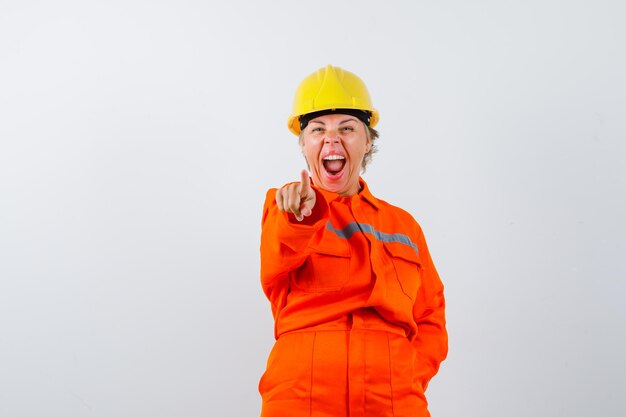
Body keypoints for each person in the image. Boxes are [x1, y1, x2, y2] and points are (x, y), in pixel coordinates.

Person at [259, 65, 447, 417]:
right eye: (318, 130)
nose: (332, 140)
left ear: (368, 140)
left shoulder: (403, 225)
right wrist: (300, 215)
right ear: (303, 144)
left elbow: (431, 316)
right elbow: (277, 258)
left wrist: (402, 374)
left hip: (392, 399)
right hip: (302, 396)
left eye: (347, 128)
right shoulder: (287, 207)